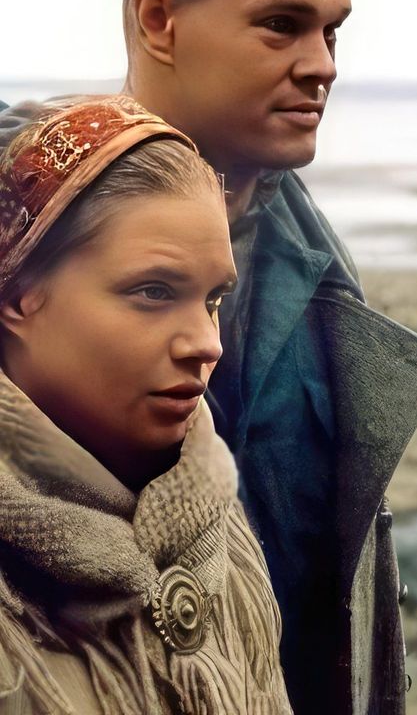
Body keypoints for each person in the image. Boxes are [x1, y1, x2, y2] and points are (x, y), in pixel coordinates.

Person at [119, 0, 417, 714]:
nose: (323, 65)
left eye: (331, 32)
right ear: (159, 18)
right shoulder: (31, 250)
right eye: (281, 24)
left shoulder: (316, 261)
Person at [0, 96, 292, 714]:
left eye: (213, 300)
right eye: (154, 292)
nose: (207, 344)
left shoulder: (216, 521)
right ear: (19, 296)